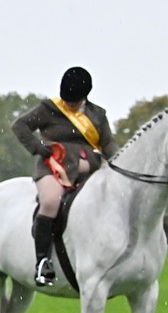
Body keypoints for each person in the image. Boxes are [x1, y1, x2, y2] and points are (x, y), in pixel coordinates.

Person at [12, 66, 117, 286]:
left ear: (85, 96)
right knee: (50, 202)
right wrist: (37, 147)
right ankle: (43, 263)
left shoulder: (97, 115)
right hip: (53, 167)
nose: (70, 105)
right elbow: (20, 125)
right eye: (67, 101)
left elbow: (107, 143)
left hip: (89, 170)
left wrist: (119, 164)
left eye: (74, 102)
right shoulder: (48, 109)